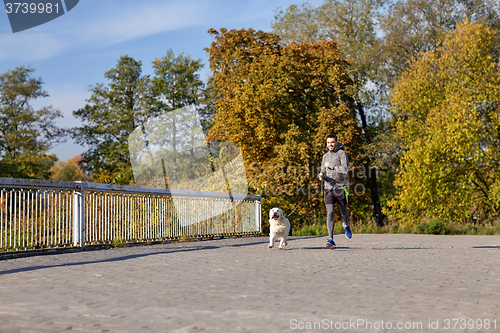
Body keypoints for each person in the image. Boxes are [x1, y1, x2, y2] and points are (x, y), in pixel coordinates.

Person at [317, 134, 352, 249]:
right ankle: (331, 239)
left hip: (341, 188)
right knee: (330, 213)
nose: (330, 145)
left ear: (336, 142)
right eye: (328, 143)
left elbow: (345, 170)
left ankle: (346, 224)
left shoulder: (342, 154)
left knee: (344, 213)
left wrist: (331, 166)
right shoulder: (325, 156)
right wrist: (321, 175)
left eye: (332, 142)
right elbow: (323, 170)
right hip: (328, 188)